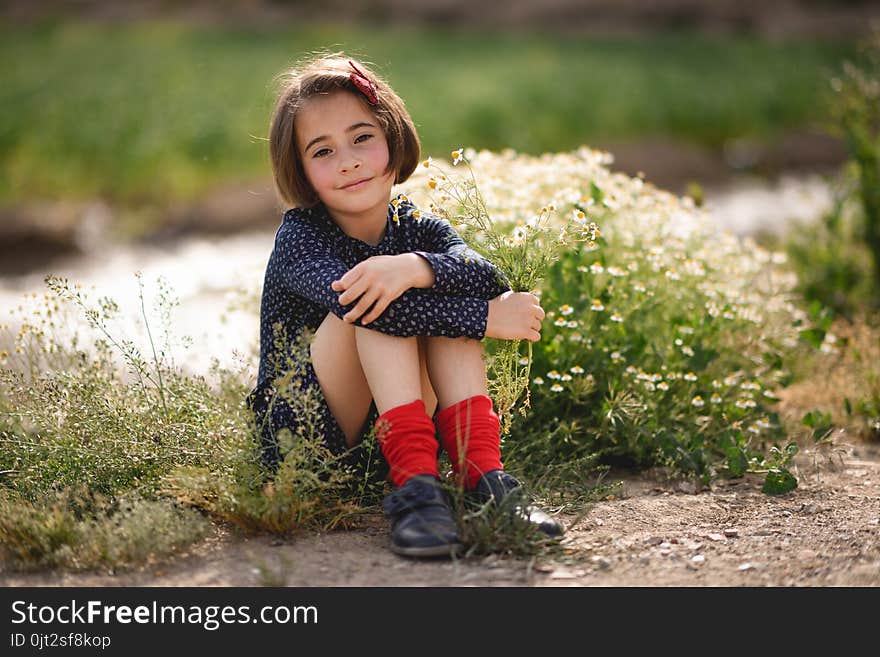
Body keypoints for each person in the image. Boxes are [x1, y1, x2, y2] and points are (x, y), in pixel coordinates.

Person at [246, 53, 563, 558]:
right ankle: (416, 492)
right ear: (302, 172)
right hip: (302, 440)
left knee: (420, 284)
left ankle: (483, 476)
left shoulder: (417, 225)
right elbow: (398, 307)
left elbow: (486, 275)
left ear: (393, 140)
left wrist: (415, 266)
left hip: (382, 440)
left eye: (362, 138)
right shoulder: (300, 236)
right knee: (370, 298)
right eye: (322, 151)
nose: (348, 160)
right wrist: (485, 319)